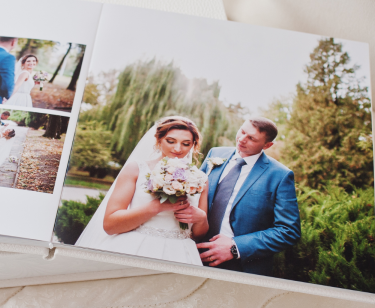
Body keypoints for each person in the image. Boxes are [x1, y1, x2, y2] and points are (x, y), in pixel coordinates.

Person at [75, 116, 209, 266]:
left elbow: (199, 234)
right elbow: (110, 225)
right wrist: (156, 207)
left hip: (180, 254)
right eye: (170, 141)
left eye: (186, 144)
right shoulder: (136, 169)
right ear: (159, 140)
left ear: (193, 146)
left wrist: (201, 218)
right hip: (135, 248)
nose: (177, 149)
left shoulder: (200, 178)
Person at [195, 117, 301, 276]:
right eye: (242, 131)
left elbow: (288, 231)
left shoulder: (280, 176)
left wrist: (234, 248)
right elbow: (195, 194)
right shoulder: (215, 153)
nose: (242, 139)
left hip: (238, 266)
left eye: (251, 138)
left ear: (267, 145)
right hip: (193, 253)